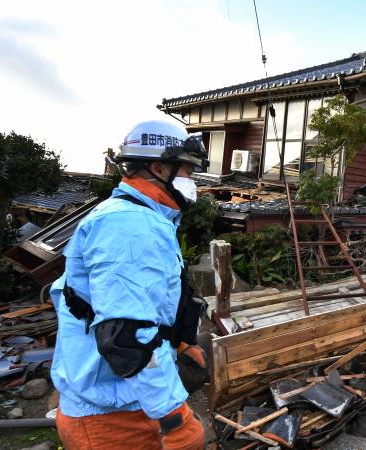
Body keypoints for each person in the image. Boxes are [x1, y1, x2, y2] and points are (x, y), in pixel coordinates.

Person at [49, 120, 209, 449]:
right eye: (188, 172)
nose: (192, 182)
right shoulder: (130, 226)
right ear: (159, 168)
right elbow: (129, 336)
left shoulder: (135, 217)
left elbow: (122, 305)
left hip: (122, 404)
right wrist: (174, 418)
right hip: (112, 421)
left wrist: (176, 343)